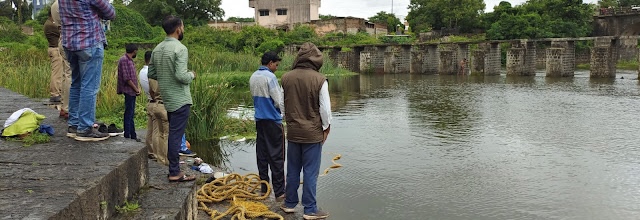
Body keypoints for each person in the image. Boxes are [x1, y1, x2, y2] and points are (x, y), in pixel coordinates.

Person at [280, 42, 331, 220]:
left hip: (293, 132)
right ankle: (310, 209)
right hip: (312, 133)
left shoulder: (286, 77)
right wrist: (326, 127)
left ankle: (289, 204)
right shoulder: (319, 79)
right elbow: (325, 109)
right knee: (310, 171)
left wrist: (290, 122)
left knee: (292, 168)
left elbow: (282, 105)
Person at [148, 16, 196, 182]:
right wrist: (192, 75)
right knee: (175, 136)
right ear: (178, 29)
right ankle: (174, 171)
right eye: (182, 26)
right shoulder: (180, 49)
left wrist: (165, 75)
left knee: (173, 135)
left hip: (167, 99)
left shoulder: (157, 49)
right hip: (180, 99)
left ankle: (174, 169)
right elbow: (181, 76)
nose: (183, 29)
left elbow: (152, 74)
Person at [59, 0, 114, 141]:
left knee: (76, 84)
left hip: (69, 43)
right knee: (89, 86)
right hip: (89, 42)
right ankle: (85, 127)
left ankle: (74, 125)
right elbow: (110, 13)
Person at [249, 51, 285, 200]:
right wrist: (283, 115)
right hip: (273, 122)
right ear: (270, 63)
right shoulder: (270, 77)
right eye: (276, 65)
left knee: (262, 156)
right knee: (277, 157)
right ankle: (280, 192)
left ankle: (264, 189)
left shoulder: (253, 76)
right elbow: (278, 100)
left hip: (260, 121)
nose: (276, 68)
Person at [140, 51, 168, 165]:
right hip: (156, 101)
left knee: (150, 131)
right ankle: (159, 155)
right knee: (159, 132)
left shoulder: (142, 71)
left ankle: (151, 152)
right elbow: (154, 90)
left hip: (149, 102)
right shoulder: (151, 73)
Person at [50, 0, 71, 120]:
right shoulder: (66, 3)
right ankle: (68, 108)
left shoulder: (54, 5)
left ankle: (64, 106)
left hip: (62, 38)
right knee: (71, 75)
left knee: (66, 74)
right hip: (70, 39)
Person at [117, 44, 141, 142]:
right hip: (129, 91)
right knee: (129, 113)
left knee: (130, 113)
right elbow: (127, 78)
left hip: (132, 91)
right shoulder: (124, 60)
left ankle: (132, 135)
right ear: (134, 51)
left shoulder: (129, 60)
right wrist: (136, 89)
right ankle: (128, 135)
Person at [44, 9, 63, 104]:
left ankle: (57, 92)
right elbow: (61, 31)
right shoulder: (51, 25)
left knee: (57, 72)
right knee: (57, 73)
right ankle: (55, 94)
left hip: (53, 49)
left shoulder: (48, 23)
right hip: (55, 50)